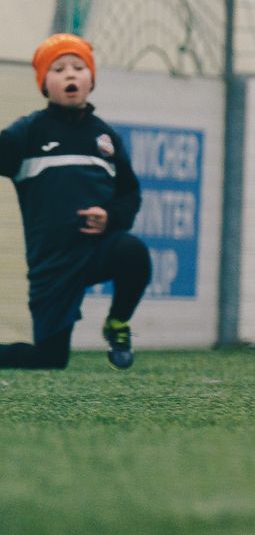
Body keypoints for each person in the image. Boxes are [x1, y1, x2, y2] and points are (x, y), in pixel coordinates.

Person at [0, 34, 152, 370]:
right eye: (58, 69)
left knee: (133, 252)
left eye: (78, 67)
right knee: (49, 358)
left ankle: (118, 323)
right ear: (44, 83)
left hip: (95, 250)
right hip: (53, 263)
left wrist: (110, 216)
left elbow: (130, 194)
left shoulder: (105, 138)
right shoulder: (28, 132)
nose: (70, 74)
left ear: (91, 79)